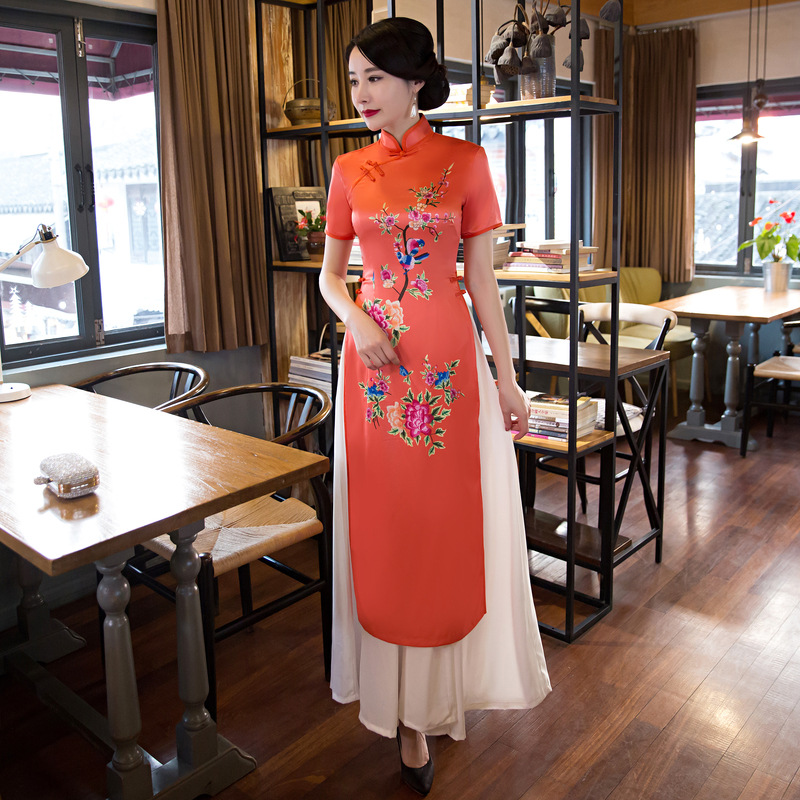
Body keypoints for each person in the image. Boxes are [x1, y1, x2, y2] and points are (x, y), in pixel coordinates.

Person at [318, 17, 551, 796]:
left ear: (416, 81)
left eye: (374, 78)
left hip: (448, 367)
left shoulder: (466, 162)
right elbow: (330, 277)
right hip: (374, 372)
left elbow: (482, 281)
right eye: (355, 80)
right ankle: (404, 717)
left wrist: (507, 377)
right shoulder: (347, 168)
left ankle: (439, 696)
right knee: (387, 527)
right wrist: (357, 321)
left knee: (445, 527)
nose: (361, 94)